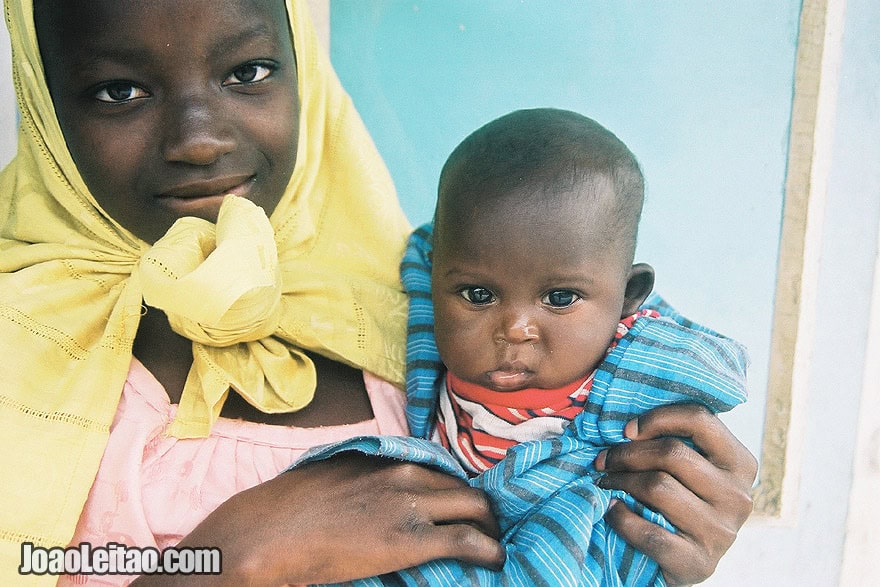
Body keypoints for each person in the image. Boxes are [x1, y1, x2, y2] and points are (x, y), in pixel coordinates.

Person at [0, 0, 756, 584]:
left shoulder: (433, 310)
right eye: (119, 89)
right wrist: (224, 562)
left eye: (249, 72)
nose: (198, 136)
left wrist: (661, 539)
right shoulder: (18, 355)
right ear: (43, 105)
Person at [293, 109, 749, 585]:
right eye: (478, 295)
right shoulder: (417, 345)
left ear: (627, 297)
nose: (514, 329)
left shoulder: (629, 395)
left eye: (559, 298)